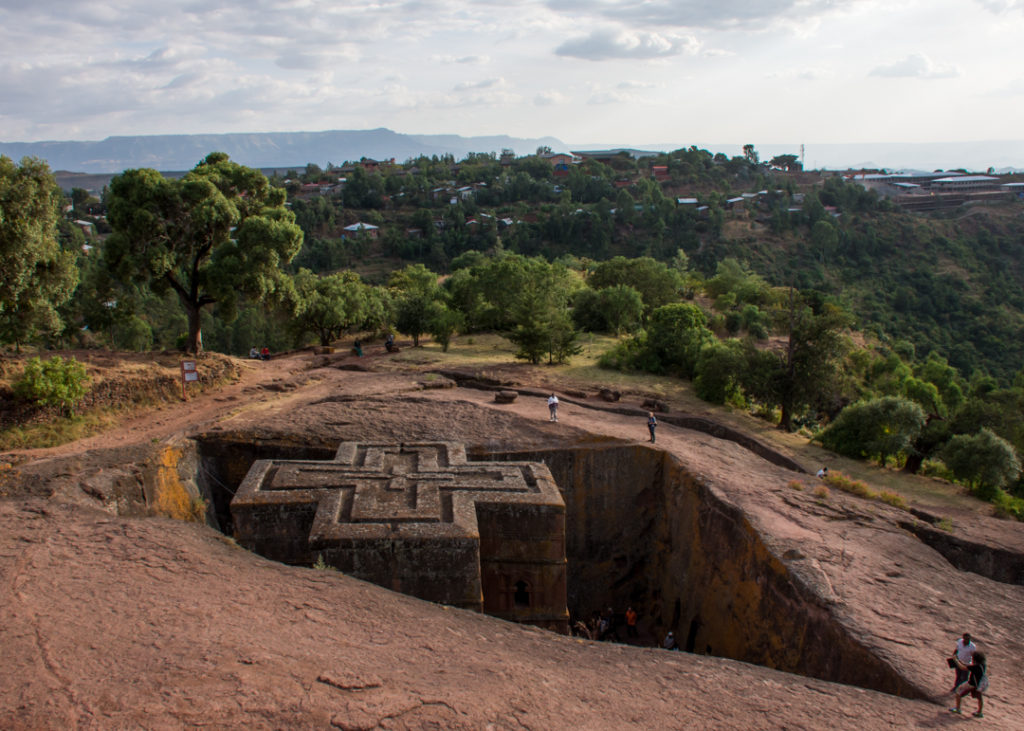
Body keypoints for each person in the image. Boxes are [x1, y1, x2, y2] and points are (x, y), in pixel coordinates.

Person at [950, 650, 987, 718]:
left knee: (958, 692)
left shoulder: (975, 667)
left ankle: (958, 709)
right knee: (979, 698)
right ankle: (979, 712)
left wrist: (956, 660)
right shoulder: (983, 665)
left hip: (971, 684)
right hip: (978, 685)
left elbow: (962, 668)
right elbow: (968, 666)